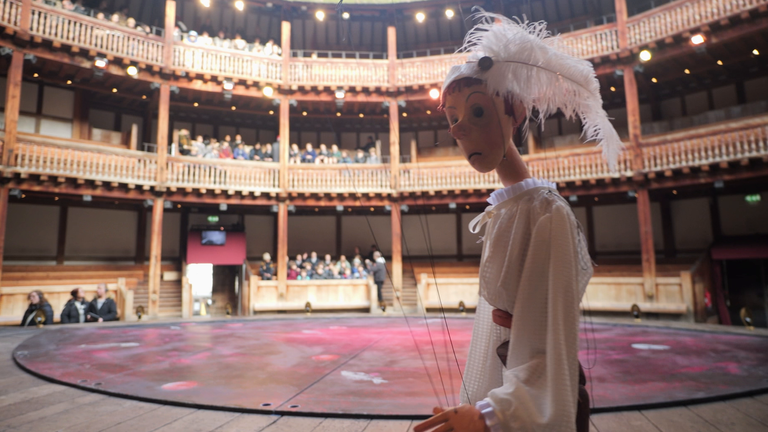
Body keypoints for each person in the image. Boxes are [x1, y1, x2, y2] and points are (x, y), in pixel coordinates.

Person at [414, 12, 622, 432]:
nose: (459, 130)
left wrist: (492, 414)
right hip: (504, 380)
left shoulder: (547, 213)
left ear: (513, 114)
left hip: (529, 403)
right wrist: (479, 398)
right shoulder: (510, 209)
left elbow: (549, 347)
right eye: (452, 117)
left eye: (477, 113)